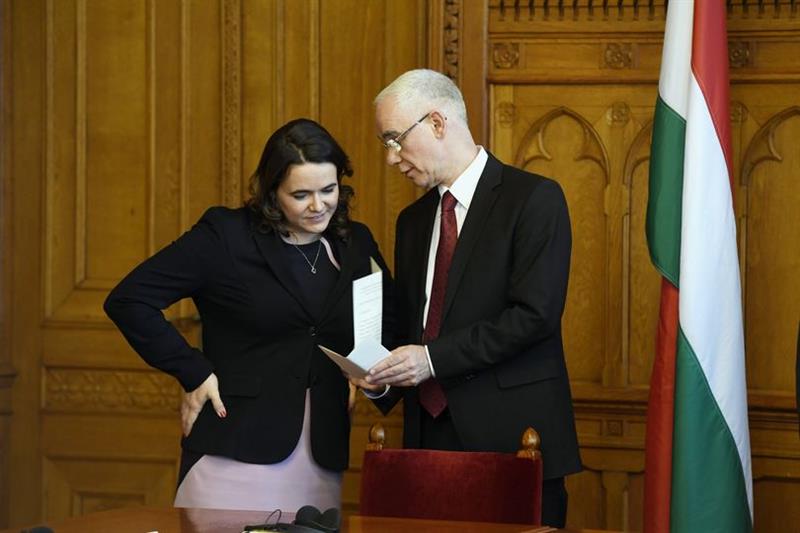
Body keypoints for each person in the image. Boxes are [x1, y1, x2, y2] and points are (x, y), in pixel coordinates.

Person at [104, 118, 392, 512]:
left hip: (321, 456)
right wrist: (194, 371)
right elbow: (130, 300)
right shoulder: (226, 236)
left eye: (328, 190)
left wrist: (367, 371)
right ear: (272, 192)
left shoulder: (356, 242)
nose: (318, 205)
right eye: (301, 194)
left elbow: (387, 322)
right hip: (234, 450)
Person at [365, 69, 582, 527]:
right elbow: (415, 327)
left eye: (395, 140)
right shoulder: (413, 221)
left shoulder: (534, 199)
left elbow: (534, 316)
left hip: (514, 439)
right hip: (426, 442)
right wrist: (380, 377)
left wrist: (431, 361)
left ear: (437, 123)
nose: (391, 158)